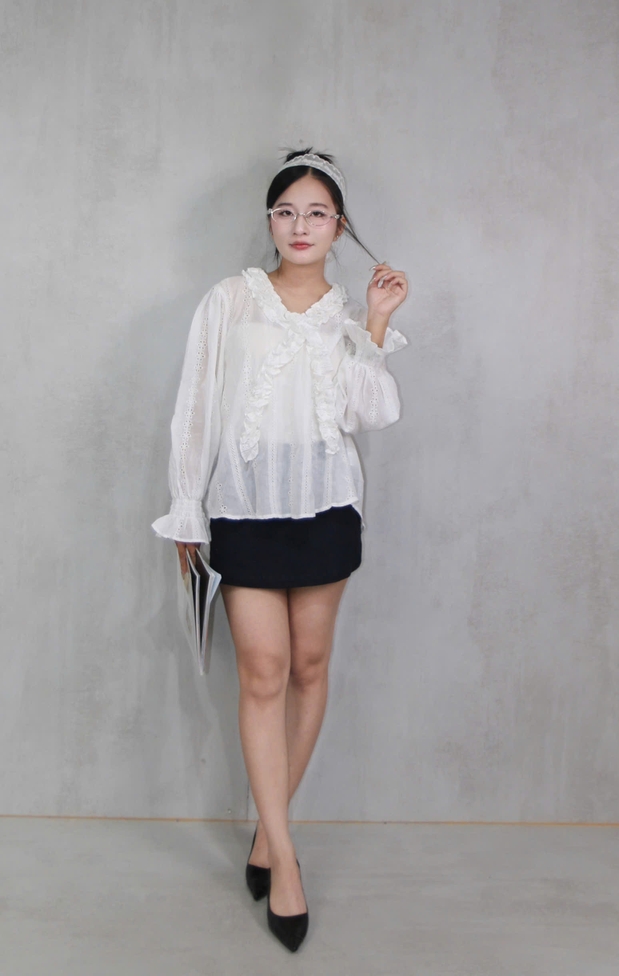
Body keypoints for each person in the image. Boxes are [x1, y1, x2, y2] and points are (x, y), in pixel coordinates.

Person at [152, 148, 408, 952]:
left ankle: (268, 835)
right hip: (243, 509)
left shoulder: (345, 312)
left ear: (339, 226)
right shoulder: (231, 300)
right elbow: (194, 406)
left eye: (317, 213)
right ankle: (286, 859)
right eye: (286, 211)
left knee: (307, 667)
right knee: (262, 671)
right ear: (269, 221)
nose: (300, 226)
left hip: (326, 508)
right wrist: (186, 509)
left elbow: (371, 414)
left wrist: (374, 323)